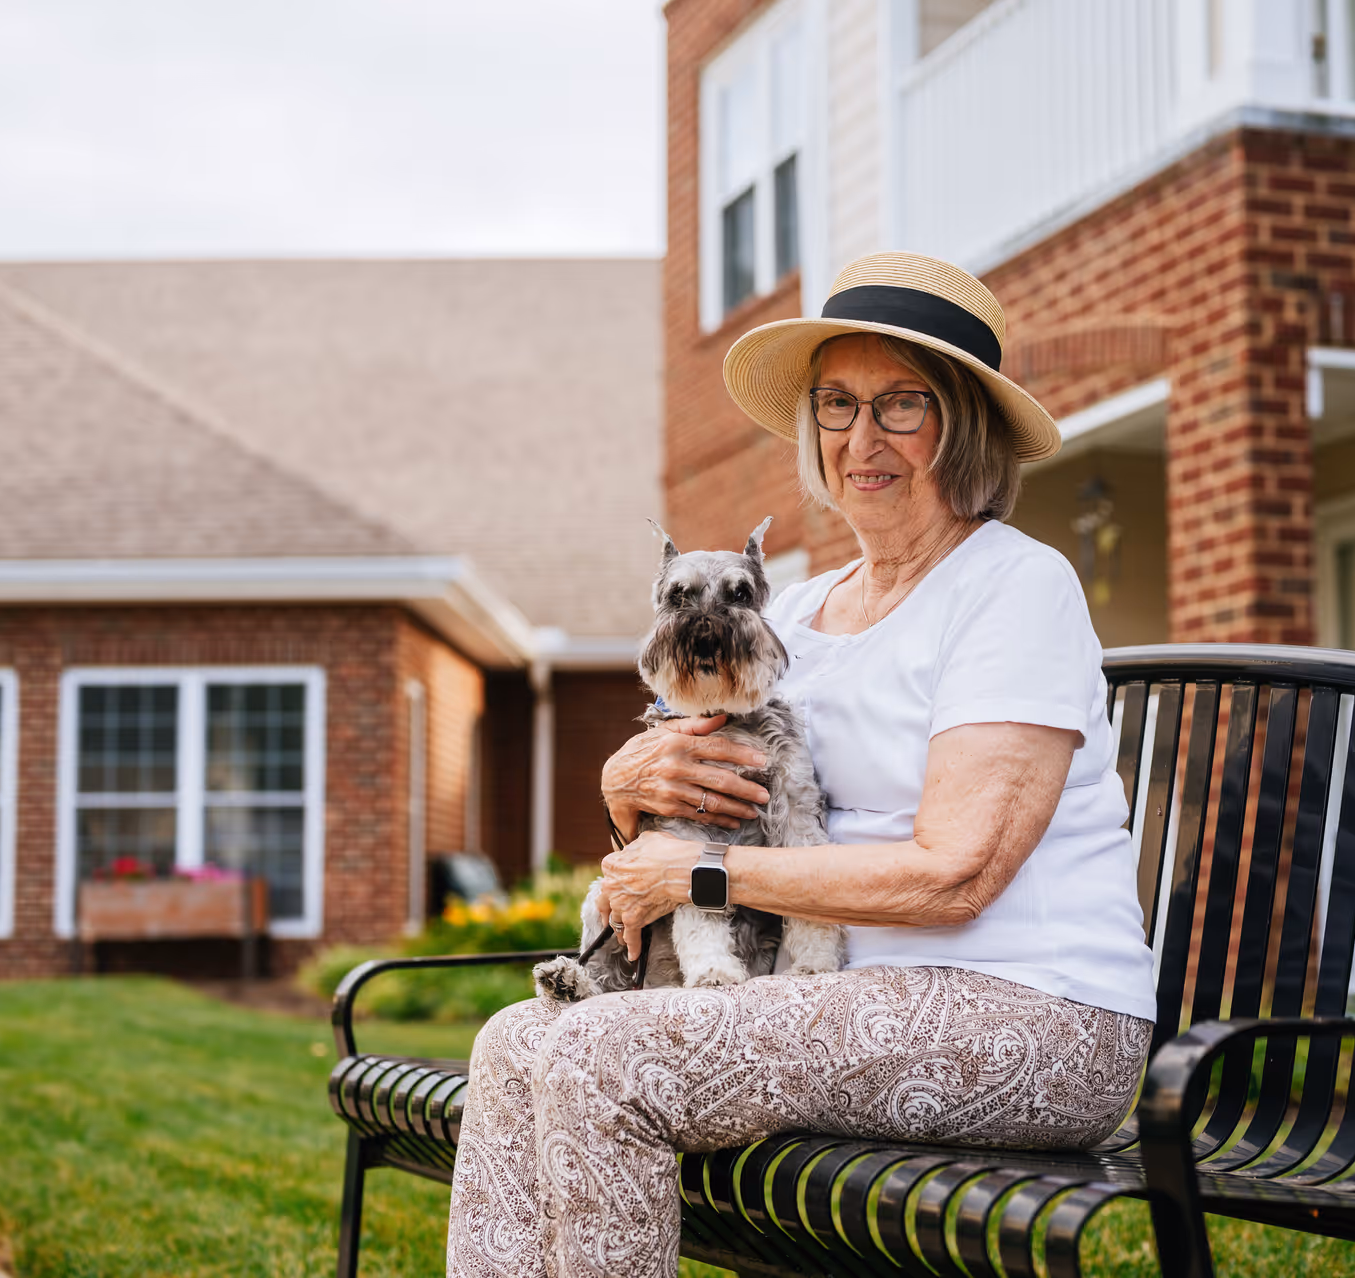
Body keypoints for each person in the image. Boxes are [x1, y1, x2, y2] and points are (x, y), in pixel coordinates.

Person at [446, 253, 1156, 1278]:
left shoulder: (1014, 587)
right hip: (829, 992)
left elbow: (957, 872)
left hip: (1031, 1010)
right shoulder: (799, 611)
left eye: (901, 405)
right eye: (836, 405)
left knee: (607, 1059)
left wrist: (702, 877)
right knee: (515, 1042)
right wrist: (627, 792)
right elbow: (712, 794)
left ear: (964, 425)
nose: (860, 439)